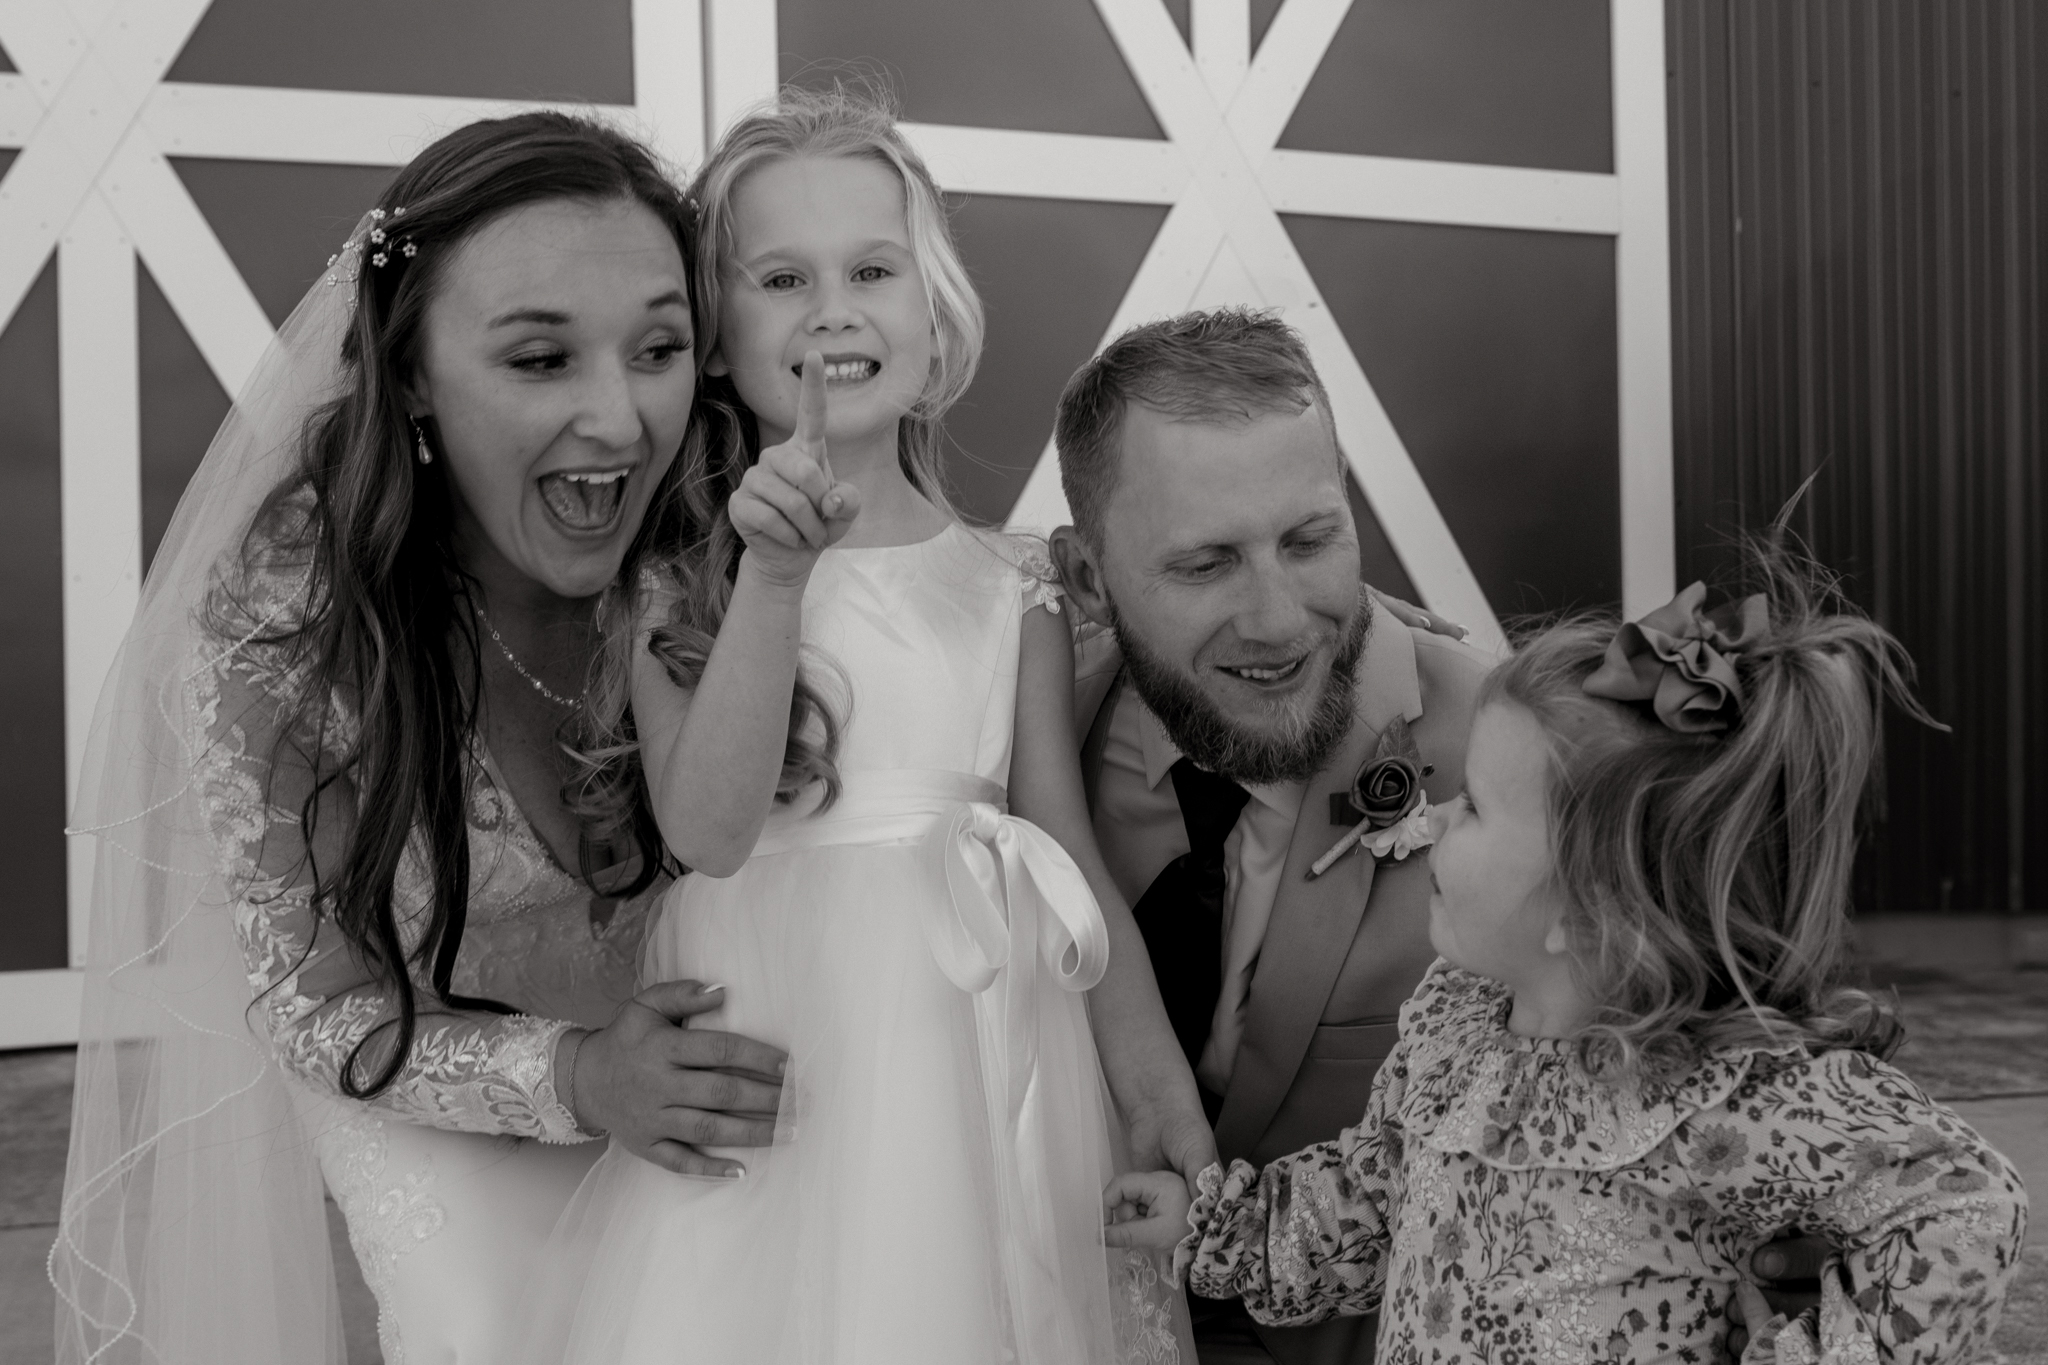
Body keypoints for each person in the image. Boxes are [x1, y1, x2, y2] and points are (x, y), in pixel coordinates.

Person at [53, 113, 788, 1365]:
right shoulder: (287, 624)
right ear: (408, 377)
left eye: (659, 349)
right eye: (540, 358)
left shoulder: (730, 535)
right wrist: (574, 1078)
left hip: (700, 1063)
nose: (620, 420)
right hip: (426, 1072)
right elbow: (312, 1012)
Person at [1051, 308, 1869, 1365]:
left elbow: (1730, 1063)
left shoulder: (1519, 762)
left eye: (1309, 540)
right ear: (1086, 578)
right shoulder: (1010, 752)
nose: (1280, 619)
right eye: (1206, 564)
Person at [522, 90, 1200, 1364]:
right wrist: (774, 579)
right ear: (715, 341)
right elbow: (710, 833)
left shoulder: (1010, 586)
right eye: (782, 278)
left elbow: (1066, 862)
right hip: (783, 1062)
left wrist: (1150, 1079)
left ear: (931, 321)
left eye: (872, 271)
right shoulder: (684, 582)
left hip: (974, 1054)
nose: (832, 310)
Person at [1105, 545, 2030, 1364]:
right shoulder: (1455, 1029)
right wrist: (1216, 1227)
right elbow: (1370, 1193)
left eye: (1474, 805)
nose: (1435, 819)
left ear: (1586, 911)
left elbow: (1964, 1205)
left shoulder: (1721, 1095)